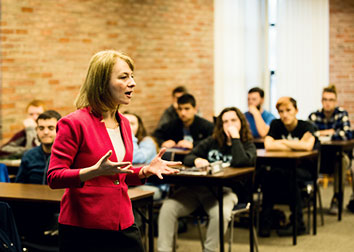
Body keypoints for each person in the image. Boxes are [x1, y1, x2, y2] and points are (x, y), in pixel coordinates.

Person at [47, 50, 179, 252]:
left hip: (123, 221)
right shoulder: (73, 123)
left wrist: (144, 171)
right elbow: (54, 177)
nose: (132, 83)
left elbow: (117, 173)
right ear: (101, 83)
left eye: (132, 76)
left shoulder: (124, 123)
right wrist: (92, 172)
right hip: (84, 228)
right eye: (124, 77)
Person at [157, 107, 256, 252]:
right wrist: (197, 160)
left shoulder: (248, 145)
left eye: (233, 121)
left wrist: (235, 138)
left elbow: (240, 161)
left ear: (241, 123)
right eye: (225, 122)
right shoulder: (212, 141)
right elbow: (189, 157)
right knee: (168, 207)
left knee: (220, 213)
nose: (230, 125)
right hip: (199, 189)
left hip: (226, 193)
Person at [259, 97, 317, 237]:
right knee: (267, 177)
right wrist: (295, 145)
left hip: (305, 170)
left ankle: (299, 224)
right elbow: (268, 145)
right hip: (280, 169)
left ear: (296, 111)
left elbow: (307, 146)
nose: (285, 115)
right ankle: (265, 221)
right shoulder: (276, 124)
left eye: (288, 110)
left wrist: (282, 142)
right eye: (281, 111)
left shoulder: (306, 126)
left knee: (290, 175)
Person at [308, 85, 353, 214]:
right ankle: (308, 196)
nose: (328, 103)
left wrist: (321, 134)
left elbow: (347, 134)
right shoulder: (314, 116)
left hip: (338, 156)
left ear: (336, 101)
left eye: (331, 100)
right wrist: (329, 132)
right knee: (307, 159)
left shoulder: (341, 115)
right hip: (320, 156)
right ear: (321, 101)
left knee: (342, 161)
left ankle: (337, 198)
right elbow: (308, 134)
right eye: (325, 99)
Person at [124, 111, 169, 200]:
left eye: (132, 124)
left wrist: (129, 135)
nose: (128, 127)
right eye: (125, 123)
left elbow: (137, 158)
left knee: (125, 198)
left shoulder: (148, 141)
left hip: (151, 185)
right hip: (130, 184)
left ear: (139, 127)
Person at [15, 110, 61, 184]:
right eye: (41, 128)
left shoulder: (67, 156)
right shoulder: (28, 156)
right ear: (36, 130)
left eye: (51, 128)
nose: (45, 132)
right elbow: (19, 185)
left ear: (60, 130)